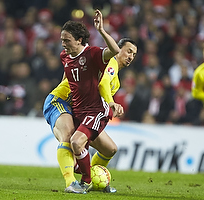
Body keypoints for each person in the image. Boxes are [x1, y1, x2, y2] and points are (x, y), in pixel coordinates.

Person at [43, 12, 137, 194]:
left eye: (134, 53)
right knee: (69, 137)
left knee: (110, 149)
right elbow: (102, 83)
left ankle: (90, 175)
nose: (131, 56)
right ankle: (72, 182)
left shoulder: (110, 73)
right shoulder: (109, 62)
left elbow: (73, 71)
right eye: (129, 51)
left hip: (81, 109)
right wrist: (111, 103)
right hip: (60, 101)